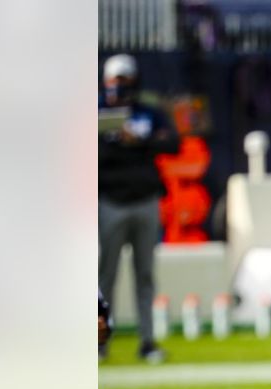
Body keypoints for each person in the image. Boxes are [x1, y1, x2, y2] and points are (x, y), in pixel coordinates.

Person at [99, 53, 181, 363]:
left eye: (125, 79)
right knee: (105, 276)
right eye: (115, 80)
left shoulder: (147, 112)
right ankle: (99, 342)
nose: (120, 86)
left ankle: (147, 341)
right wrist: (116, 141)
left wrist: (139, 140)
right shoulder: (96, 112)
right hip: (111, 201)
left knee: (145, 275)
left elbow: (172, 143)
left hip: (145, 199)